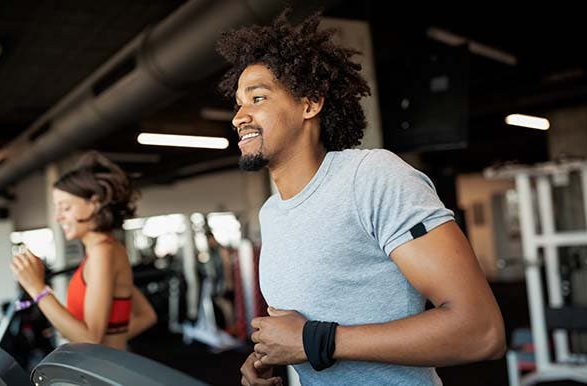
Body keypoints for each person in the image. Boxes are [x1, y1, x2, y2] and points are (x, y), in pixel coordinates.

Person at [216, 11, 506, 386]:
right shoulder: (273, 212)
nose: (240, 116)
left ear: (310, 104)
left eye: (257, 98)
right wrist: (269, 356)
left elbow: (480, 330)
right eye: (238, 103)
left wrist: (315, 341)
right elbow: (304, 329)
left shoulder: (370, 177)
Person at [10, 151, 157, 351]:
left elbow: (90, 339)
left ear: (93, 204)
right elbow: (147, 316)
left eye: (66, 208)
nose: (58, 217)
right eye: (57, 208)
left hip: (103, 371)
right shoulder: (110, 249)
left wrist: (37, 289)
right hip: (107, 363)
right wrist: (113, 340)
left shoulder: (102, 253)